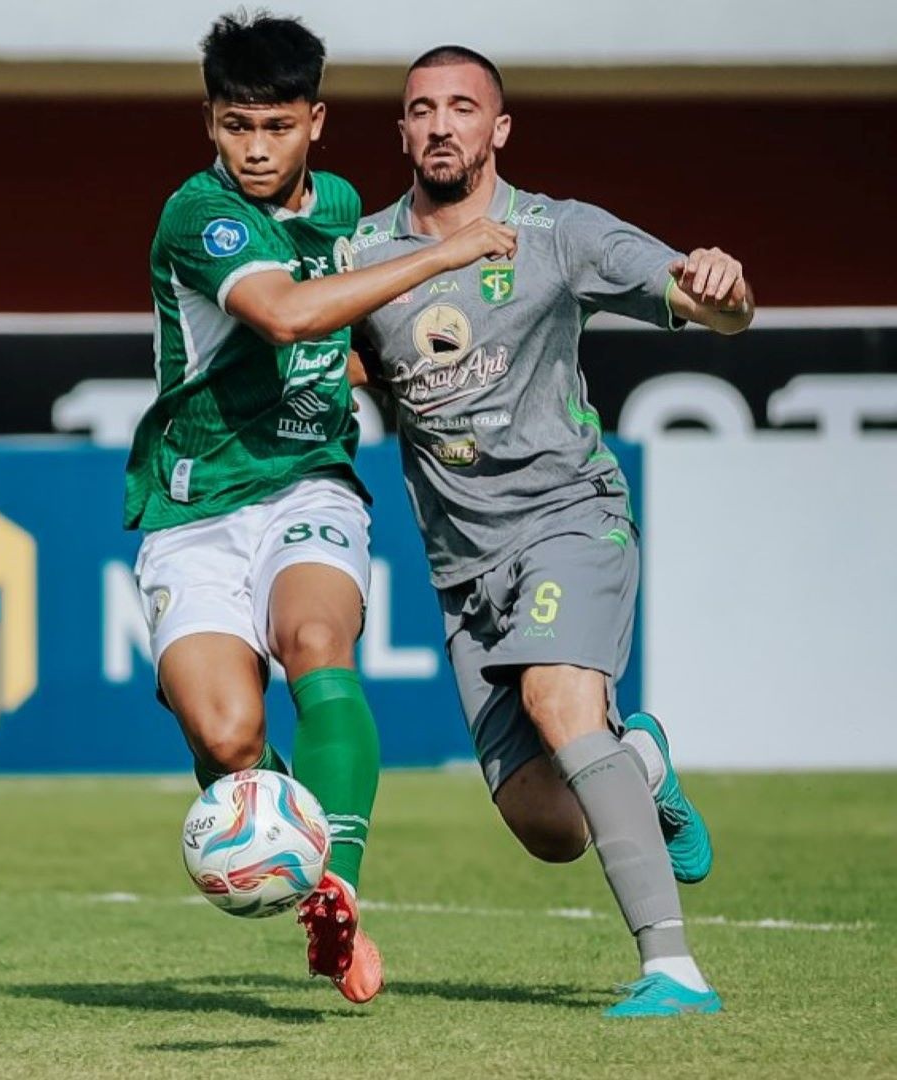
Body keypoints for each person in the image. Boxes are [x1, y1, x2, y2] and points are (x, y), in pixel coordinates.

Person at [350, 46, 752, 1017]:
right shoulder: (359, 254)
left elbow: (716, 310)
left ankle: (674, 970)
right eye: (421, 109)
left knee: (560, 699)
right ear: (401, 131)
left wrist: (724, 291)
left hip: (569, 519)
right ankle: (643, 761)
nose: (441, 125)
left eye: (462, 108)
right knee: (550, 827)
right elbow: (341, 363)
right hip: (465, 570)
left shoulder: (559, 233)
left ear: (500, 130)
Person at [126, 10, 517, 1003]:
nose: (253, 149)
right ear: (209, 124)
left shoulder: (344, 205)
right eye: (233, 126)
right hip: (194, 507)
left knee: (314, 645)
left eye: (275, 127)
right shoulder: (200, 215)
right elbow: (285, 312)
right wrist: (445, 252)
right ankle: (292, 834)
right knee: (227, 742)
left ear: (317, 121)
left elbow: (340, 338)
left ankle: (331, 892)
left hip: (310, 483)